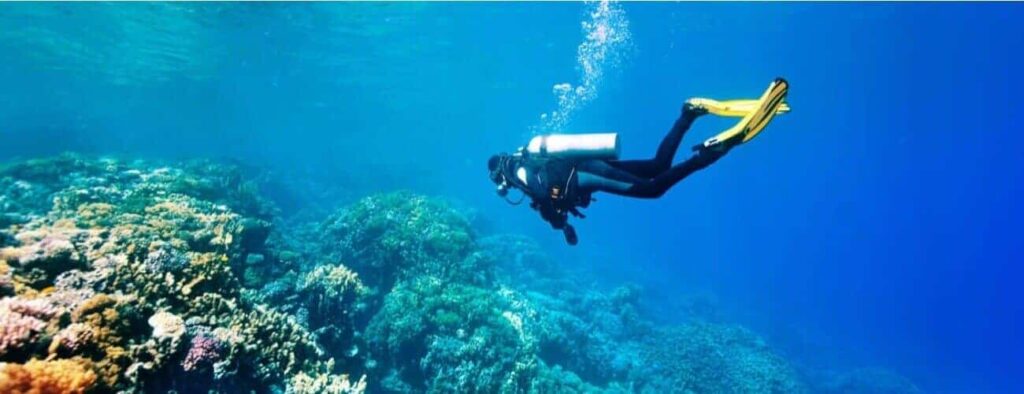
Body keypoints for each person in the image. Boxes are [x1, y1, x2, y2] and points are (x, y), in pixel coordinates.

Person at [487, 78, 790, 245]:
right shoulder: (525, 158)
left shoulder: (517, 172)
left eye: (499, 185)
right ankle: (688, 113)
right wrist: (562, 224)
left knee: (652, 189)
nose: (503, 189)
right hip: (586, 168)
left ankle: (710, 153)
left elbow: (543, 195)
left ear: (499, 176)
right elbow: (547, 196)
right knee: (657, 165)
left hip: (584, 175)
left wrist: (555, 220)